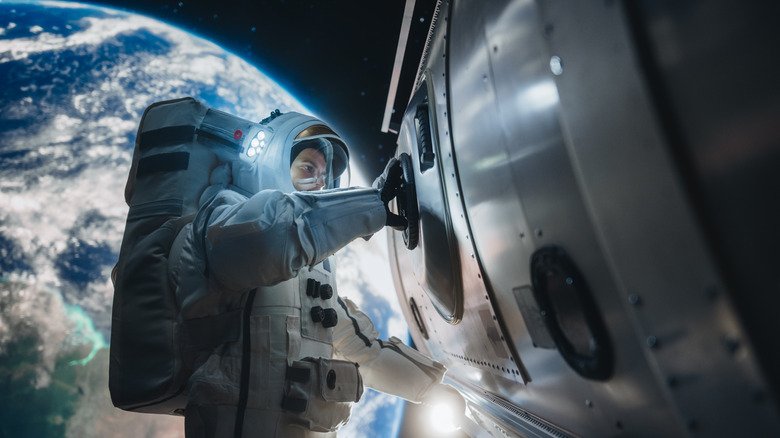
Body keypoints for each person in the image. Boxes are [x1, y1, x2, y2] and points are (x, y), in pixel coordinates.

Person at [165, 108, 463, 437]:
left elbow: (362, 349)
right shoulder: (219, 219)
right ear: (271, 162)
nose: (319, 181)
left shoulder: (308, 276)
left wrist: (428, 391)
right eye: (308, 167)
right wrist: (371, 203)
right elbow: (273, 236)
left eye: (324, 175)